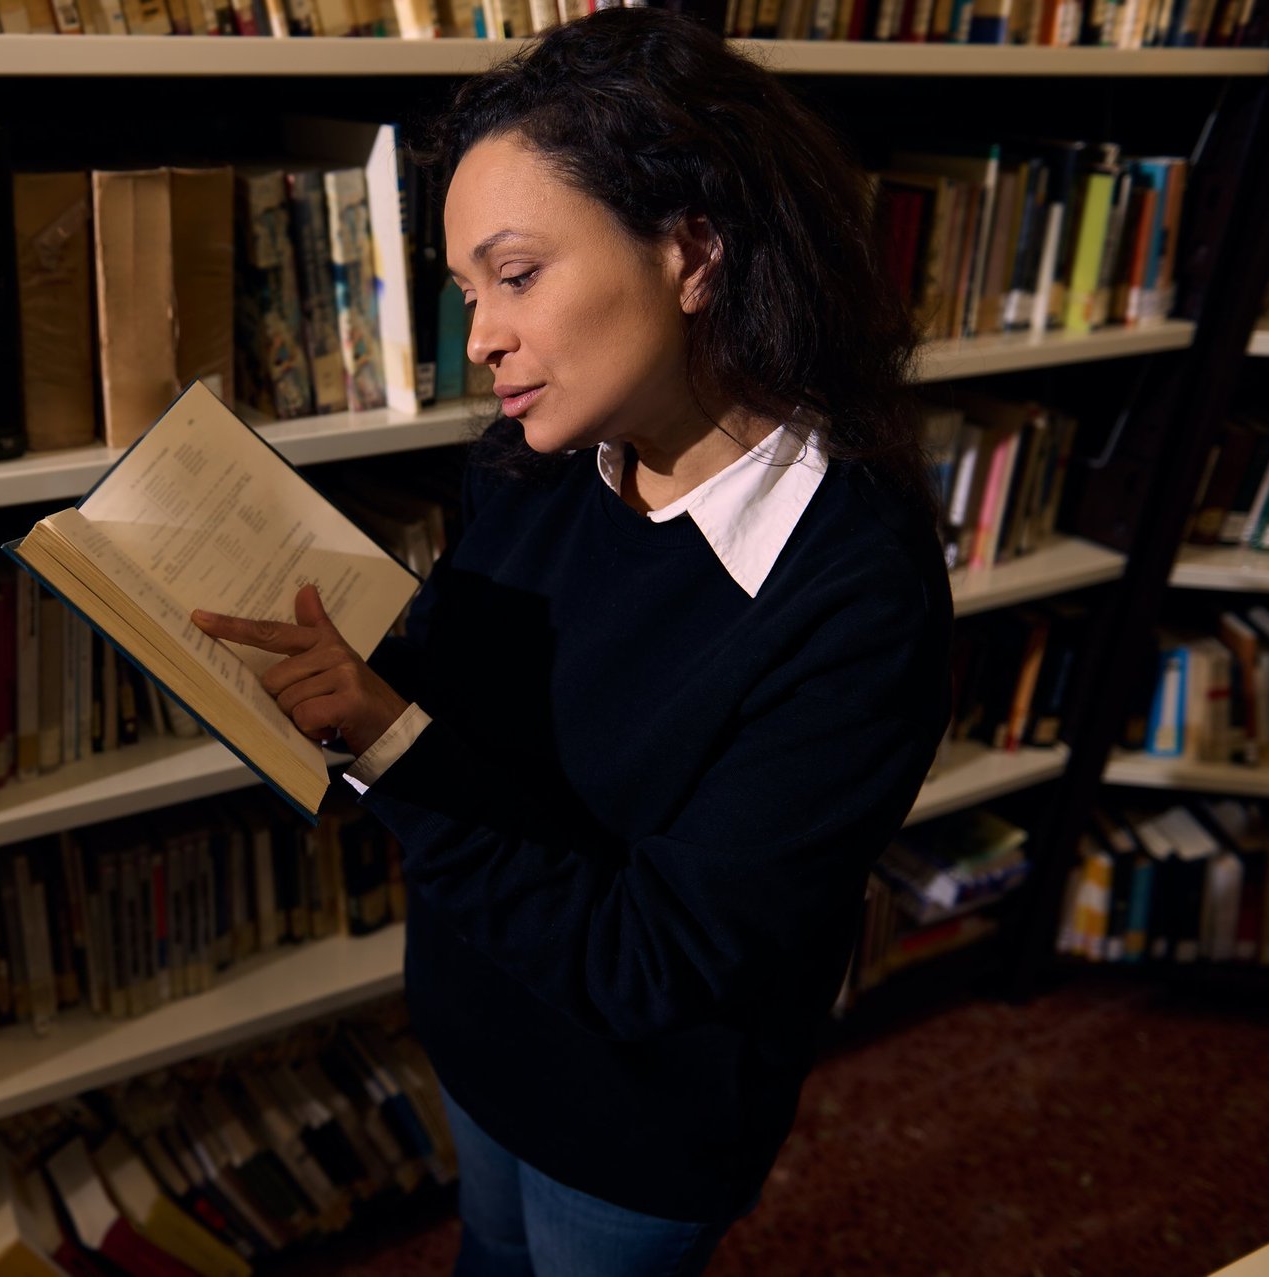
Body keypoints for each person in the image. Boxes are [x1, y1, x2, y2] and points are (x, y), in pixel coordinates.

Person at [191, 9, 954, 1274]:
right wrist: (333, 671)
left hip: (635, 1116)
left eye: (519, 274)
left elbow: (649, 958)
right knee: (486, 1253)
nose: (480, 335)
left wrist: (386, 735)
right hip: (476, 1020)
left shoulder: (855, 602)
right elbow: (463, 709)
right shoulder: (536, 455)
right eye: (468, 292)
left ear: (692, 251)